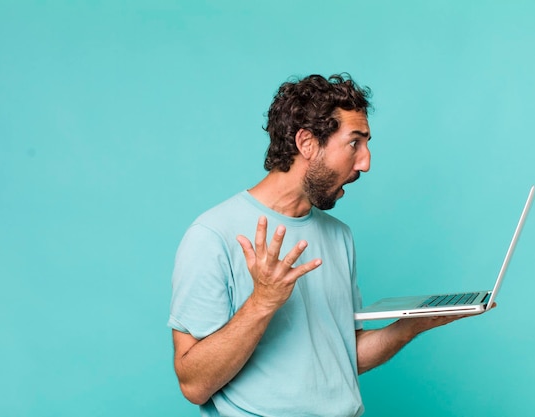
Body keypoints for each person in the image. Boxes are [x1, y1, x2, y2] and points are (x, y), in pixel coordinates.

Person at [168, 74, 479, 416]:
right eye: (354, 143)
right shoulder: (212, 235)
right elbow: (194, 385)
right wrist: (262, 302)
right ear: (307, 142)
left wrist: (412, 326)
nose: (366, 162)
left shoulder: (339, 235)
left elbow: (342, 355)